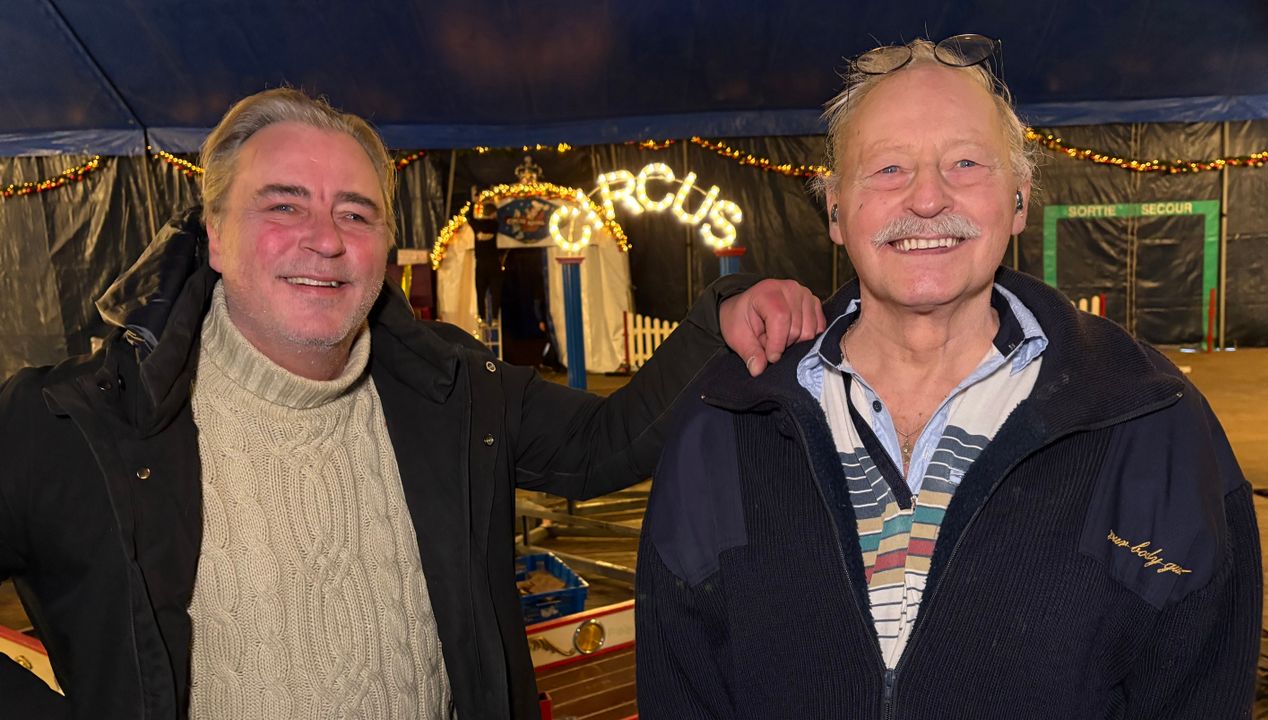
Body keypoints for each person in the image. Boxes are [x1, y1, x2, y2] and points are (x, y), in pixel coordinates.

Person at [0, 88, 825, 719]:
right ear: (215, 235)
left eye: (355, 212)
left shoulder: (452, 391)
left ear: (385, 246)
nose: (326, 238)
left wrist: (720, 317)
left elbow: (603, 442)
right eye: (284, 205)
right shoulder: (76, 425)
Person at [636, 35, 1261, 719]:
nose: (928, 198)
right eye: (888, 168)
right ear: (836, 209)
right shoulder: (724, 424)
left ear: (1019, 200)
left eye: (965, 162)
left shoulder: (1154, 425)